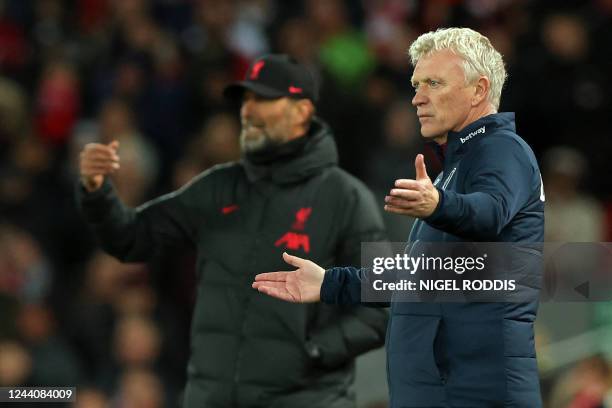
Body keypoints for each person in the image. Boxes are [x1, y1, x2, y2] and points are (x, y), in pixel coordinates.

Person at [253, 28, 545, 407]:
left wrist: (438, 205)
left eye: (433, 83)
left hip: (473, 391)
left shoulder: (502, 150)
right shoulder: (453, 170)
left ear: (478, 90)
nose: (417, 98)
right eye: (416, 84)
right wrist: (330, 283)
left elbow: (489, 214)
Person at [77, 54, 388, 408]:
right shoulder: (217, 188)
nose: (248, 111)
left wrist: (313, 351)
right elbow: (131, 239)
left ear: (301, 112)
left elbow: (379, 307)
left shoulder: (345, 197)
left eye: (264, 99)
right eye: (246, 100)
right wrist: (97, 190)